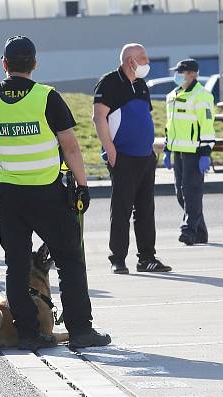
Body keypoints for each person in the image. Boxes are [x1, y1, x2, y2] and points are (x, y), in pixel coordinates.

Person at [0, 35, 111, 350]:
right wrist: (84, 186)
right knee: (70, 260)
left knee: (16, 265)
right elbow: (71, 147)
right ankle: (80, 331)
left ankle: (28, 333)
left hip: (9, 194)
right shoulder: (47, 97)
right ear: (34, 64)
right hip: (47, 193)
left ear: (4, 64)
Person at [92, 43, 172, 275]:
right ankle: (118, 258)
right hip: (123, 157)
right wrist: (111, 151)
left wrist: (151, 150)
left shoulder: (141, 84)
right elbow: (99, 118)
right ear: (131, 62)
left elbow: (142, 117)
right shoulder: (109, 82)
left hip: (145, 157)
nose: (147, 62)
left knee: (146, 210)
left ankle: (147, 258)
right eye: (144, 58)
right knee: (121, 210)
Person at [163, 59, 215, 246]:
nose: (177, 76)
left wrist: (205, 152)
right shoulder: (173, 96)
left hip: (195, 152)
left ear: (193, 74)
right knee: (180, 193)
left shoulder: (202, 96)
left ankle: (188, 230)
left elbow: (207, 125)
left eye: (181, 72)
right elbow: (170, 125)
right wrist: (167, 149)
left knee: (191, 192)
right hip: (178, 151)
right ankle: (201, 232)